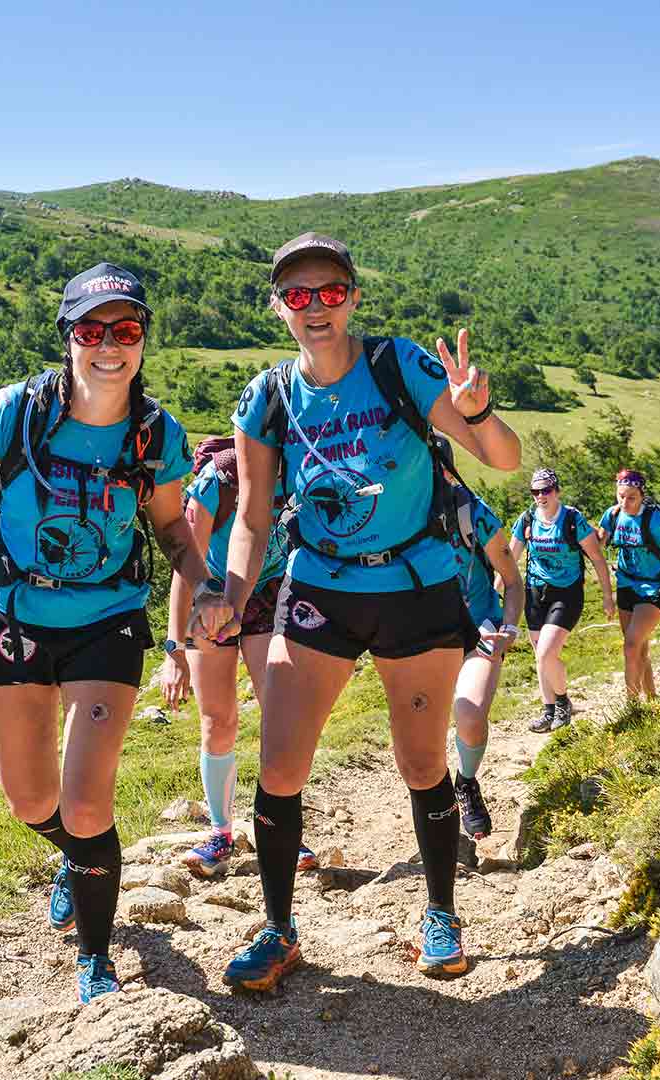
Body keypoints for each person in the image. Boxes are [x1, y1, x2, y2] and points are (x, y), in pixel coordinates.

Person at [0, 263, 226, 1004]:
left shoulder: (156, 435)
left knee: (86, 804)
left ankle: (96, 958)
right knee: (30, 802)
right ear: (69, 337)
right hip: (12, 616)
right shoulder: (17, 411)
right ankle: (79, 861)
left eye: (127, 330)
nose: (110, 346)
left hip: (106, 621)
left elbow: (174, 535)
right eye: (93, 330)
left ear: (144, 340)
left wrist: (205, 582)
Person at [198, 232, 520, 990]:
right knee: (279, 764)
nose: (316, 307)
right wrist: (234, 596)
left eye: (330, 292)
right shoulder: (266, 398)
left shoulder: (398, 364)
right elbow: (249, 519)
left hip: (415, 585)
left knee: (419, 761)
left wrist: (478, 411)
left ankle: (440, 913)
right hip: (317, 588)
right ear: (278, 306)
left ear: (353, 297)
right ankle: (278, 929)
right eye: (298, 295)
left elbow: (500, 458)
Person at [158, 438, 317, 877]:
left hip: (267, 592)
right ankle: (220, 833)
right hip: (211, 595)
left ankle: (285, 828)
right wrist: (175, 649)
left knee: (279, 714)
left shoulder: (302, 465)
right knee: (218, 719)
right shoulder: (218, 480)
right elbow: (183, 562)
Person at [431, 439, 526, 840]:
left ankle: (466, 783)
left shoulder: (472, 512)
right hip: (422, 639)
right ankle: (439, 819)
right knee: (423, 741)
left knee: (469, 717)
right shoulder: (394, 518)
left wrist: (509, 628)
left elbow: (512, 579)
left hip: (479, 631)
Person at [508, 467, 614, 732]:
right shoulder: (527, 519)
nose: (540, 496)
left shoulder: (572, 519)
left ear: (556, 491)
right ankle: (548, 710)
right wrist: (495, 596)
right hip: (534, 592)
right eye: (535, 491)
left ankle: (563, 702)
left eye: (546, 490)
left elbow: (598, 560)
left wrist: (607, 597)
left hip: (567, 592)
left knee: (546, 652)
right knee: (540, 656)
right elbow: (508, 561)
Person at [596, 468, 660, 701]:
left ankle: (631, 707)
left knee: (631, 645)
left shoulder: (656, 521)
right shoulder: (612, 515)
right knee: (638, 647)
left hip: (654, 587)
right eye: (621, 496)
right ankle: (652, 697)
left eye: (631, 497)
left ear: (642, 495)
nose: (625, 502)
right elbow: (597, 545)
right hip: (626, 584)